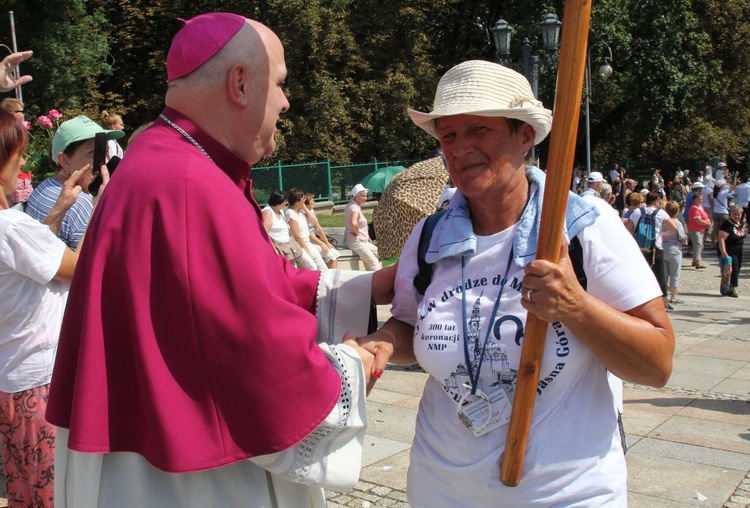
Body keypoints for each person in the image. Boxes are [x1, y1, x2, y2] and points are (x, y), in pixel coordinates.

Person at [46, 13, 396, 507]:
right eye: (279, 83)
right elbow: (261, 370)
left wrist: (372, 285)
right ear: (240, 83)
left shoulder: (166, 158)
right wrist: (354, 364)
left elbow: (251, 287)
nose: (286, 101)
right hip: (188, 480)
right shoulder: (189, 182)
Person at [357, 60, 674, 507]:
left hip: (564, 493)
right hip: (440, 488)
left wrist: (576, 307)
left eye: (478, 130)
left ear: (524, 135)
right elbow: (409, 326)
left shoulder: (581, 227)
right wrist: (384, 342)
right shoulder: (430, 236)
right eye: (448, 135)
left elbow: (657, 364)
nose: (459, 147)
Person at [0, 108, 101, 507]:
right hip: (40, 381)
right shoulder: (11, 226)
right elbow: (82, 269)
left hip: (11, 378)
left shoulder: (13, 227)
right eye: (17, 153)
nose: (23, 161)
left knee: (24, 487)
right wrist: (101, 204)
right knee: (56, 492)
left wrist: (60, 207)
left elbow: (29, 257)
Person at [25, 116, 124, 249]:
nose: (105, 162)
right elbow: (90, 262)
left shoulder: (45, 185)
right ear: (65, 160)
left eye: (105, 151)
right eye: (94, 153)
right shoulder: (82, 205)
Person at [627, 191, 672, 310]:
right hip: (656, 246)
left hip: (640, 246)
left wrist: (634, 237)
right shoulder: (661, 213)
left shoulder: (638, 211)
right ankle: (664, 302)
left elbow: (628, 227)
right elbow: (674, 227)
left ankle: (637, 299)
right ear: (657, 201)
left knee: (639, 273)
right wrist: (664, 234)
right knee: (659, 274)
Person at [286, 187, 327, 270]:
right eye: (302, 199)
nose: (304, 200)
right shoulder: (290, 213)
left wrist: (304, 208)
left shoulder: (301, 211)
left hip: (307, 243)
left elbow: (314, 222)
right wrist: (305, 248)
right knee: (313, 267)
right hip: (299, 246)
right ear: (297, 201)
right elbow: (296, 236)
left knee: (322, 266)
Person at [345, 183, 382, 270]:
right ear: (355, 196)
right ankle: (378, 282)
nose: (365, 198)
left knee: (377, 253)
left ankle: (374, 276)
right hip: (356, 241)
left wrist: (366, 236)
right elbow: (354, 223)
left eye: (366, 196)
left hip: (360, 240)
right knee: (373, 262)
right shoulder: (355, 208)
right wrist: (357, 232)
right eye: (363, 196)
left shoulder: (352, 205)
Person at [716, 205, 746, 297]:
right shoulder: (727, 224)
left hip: (738, 250)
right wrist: (724, 253)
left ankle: (728, 287)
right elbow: (721, 239)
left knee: (737, 269)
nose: (736, 216)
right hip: (729, 250)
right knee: (733, 269)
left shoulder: (740, 223)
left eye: (738, 214)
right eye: (734, 214)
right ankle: (730, 289)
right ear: (730, 213)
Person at [304, 193, 340, 268]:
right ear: (306, 205)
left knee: (335, 254)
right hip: (309, 241)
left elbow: (318, 227)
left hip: (315, 238)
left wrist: (326, 242)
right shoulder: (302, 214)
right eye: (312, 200)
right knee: (330, 255)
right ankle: (329, 275)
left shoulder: (311, 211)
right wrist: (321, 244)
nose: (314, 202)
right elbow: (308, 234)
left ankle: (333, 274)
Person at [662, 201, 686, 304]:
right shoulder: (677, 223)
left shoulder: (663, 221)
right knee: (675, 274)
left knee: (664, 274)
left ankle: (664, 296)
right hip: (675, 250)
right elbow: (681, 237)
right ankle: (673, 296)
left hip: (663, 248)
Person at [687, 182, 711, 269]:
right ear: (694, 200)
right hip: (695, 228)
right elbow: (698, 220)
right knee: (698, 245)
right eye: (699, 199)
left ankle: (695, 260)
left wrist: (707, 221)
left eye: (701, 199)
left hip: (700, 229)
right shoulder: (694, 208)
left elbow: (705, 216)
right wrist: (707, 223)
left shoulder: (700, 206)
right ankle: (698, 261)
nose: (700, 200)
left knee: (699, 245)